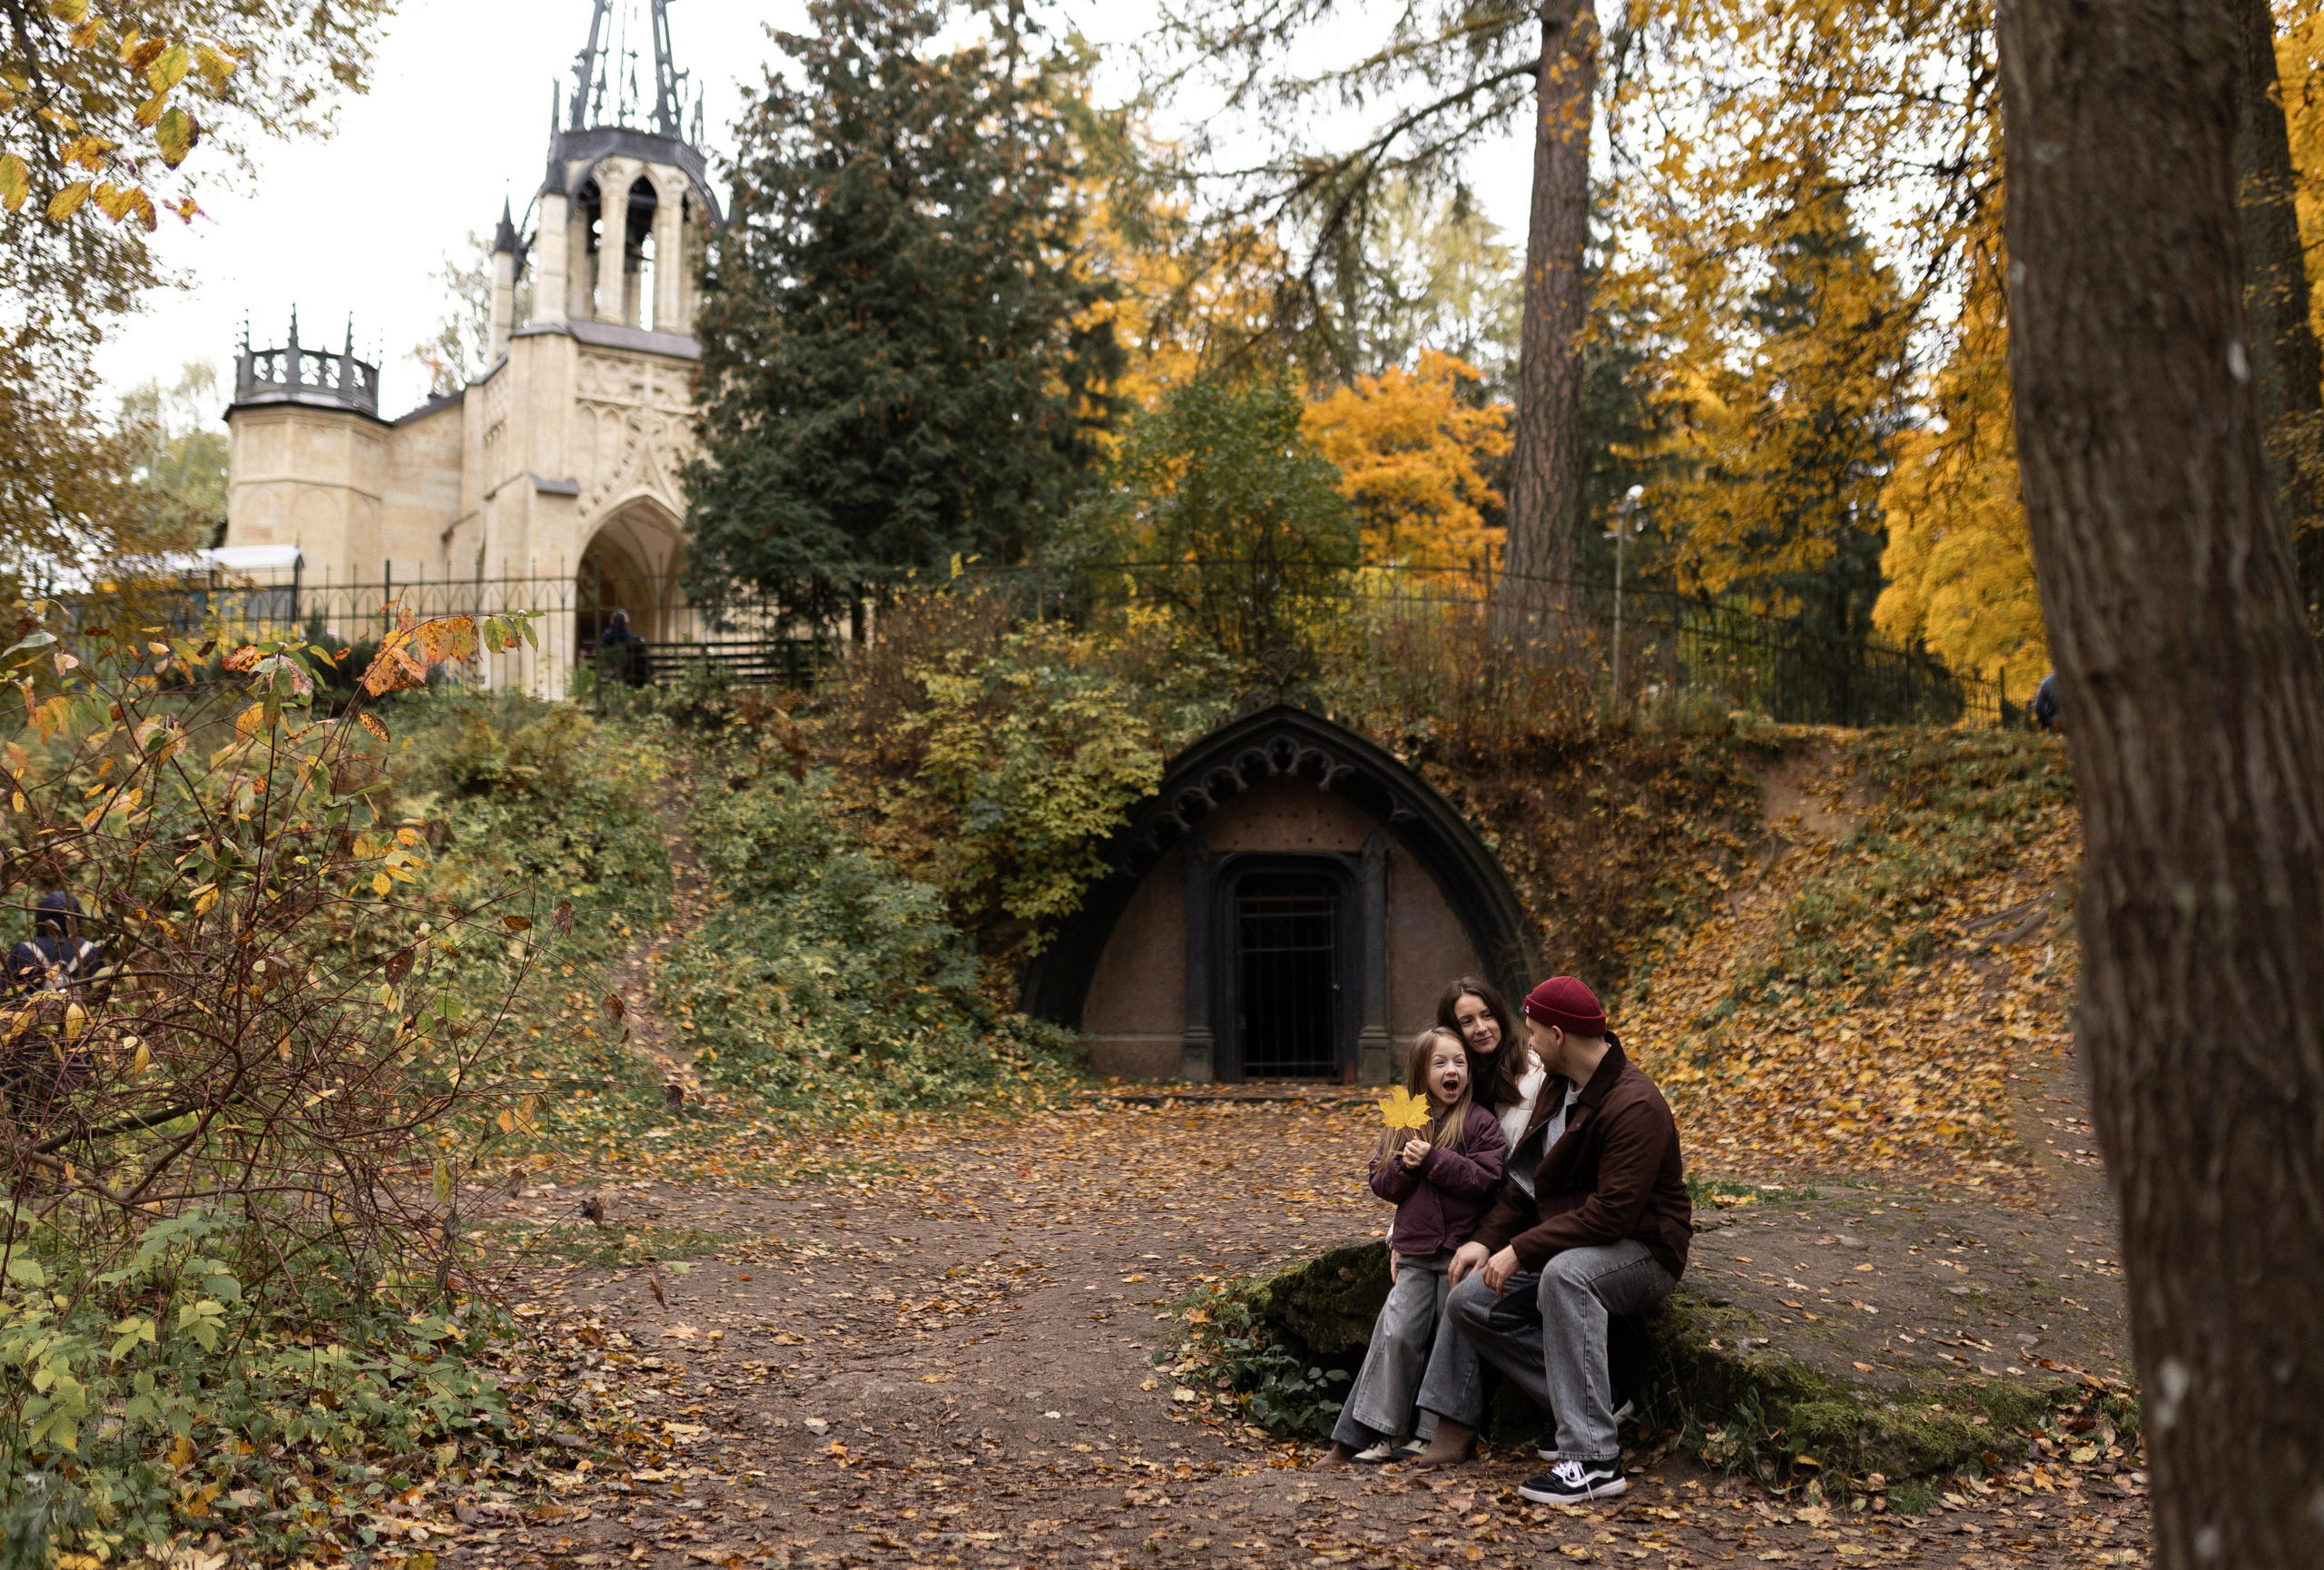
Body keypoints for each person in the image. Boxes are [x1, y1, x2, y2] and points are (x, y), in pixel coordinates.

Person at [1405, 976, 1692, 1503]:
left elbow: (1613, 1215)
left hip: (1646, 1248)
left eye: (1534, 1031)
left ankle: (1594, 1460)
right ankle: (1596, 1404)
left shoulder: (1634, 1103)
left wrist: (1523, 1249)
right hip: (1580, 1239)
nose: (1529, 1042)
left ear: (1558, 1035)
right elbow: (1526, 1182)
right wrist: (1488, 1241)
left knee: (1565, 1276)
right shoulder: (1560, 1087)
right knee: (1469, 1300)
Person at [1317, 1027, 1506, 1467]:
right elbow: (1380, 1181)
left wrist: (1436, 1160)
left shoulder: (1478, 1121)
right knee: (1399, 1333)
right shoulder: (1404, 1120)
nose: (1451, 1070)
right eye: (1440, 1063)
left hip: (1459, 1252)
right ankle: (1385, 1429)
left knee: (1445, 1341)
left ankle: (1429, 1434)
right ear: (1421, 1072)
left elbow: (1486, 1179)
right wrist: (1405, 1164)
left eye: (1459, 1062)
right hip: (1416, 1252)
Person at [598, 608, 652, 688]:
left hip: (609, 669)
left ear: (612, 621)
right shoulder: (630, 636)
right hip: (629, 672)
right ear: (626, 622)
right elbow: (634, 639)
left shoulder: (606, 636)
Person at [2032, 669, 2060, 733]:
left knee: (2056, 738)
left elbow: (2038, 707)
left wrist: (2044, 721)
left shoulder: (2047, 682)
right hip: (2077, 724)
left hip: (2057, 723)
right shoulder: (2078, 680)